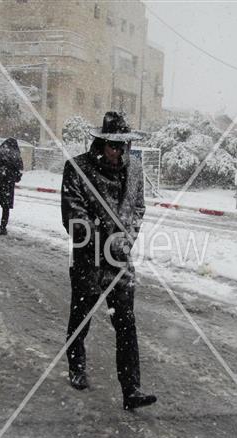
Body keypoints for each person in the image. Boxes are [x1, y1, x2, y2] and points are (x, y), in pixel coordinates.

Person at [61, 111, 157, 410]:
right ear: (101, 144)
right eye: (114, 145)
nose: (120, 152)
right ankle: (76, 366)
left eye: (124, 146)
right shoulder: (77, 168)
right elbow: (73, 215)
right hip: (89, 260)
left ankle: (131, 389)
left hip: (120, 262)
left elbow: (138, 208)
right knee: (81, 318)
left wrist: (127, 238)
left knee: (127, 324)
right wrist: (101, 239)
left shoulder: (136, 170)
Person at [0, 138, 23, 235]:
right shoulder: (16, 155)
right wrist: (16, 178)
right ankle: (3, 226)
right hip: (8, 184)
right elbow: (19, 170)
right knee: (6, 206)